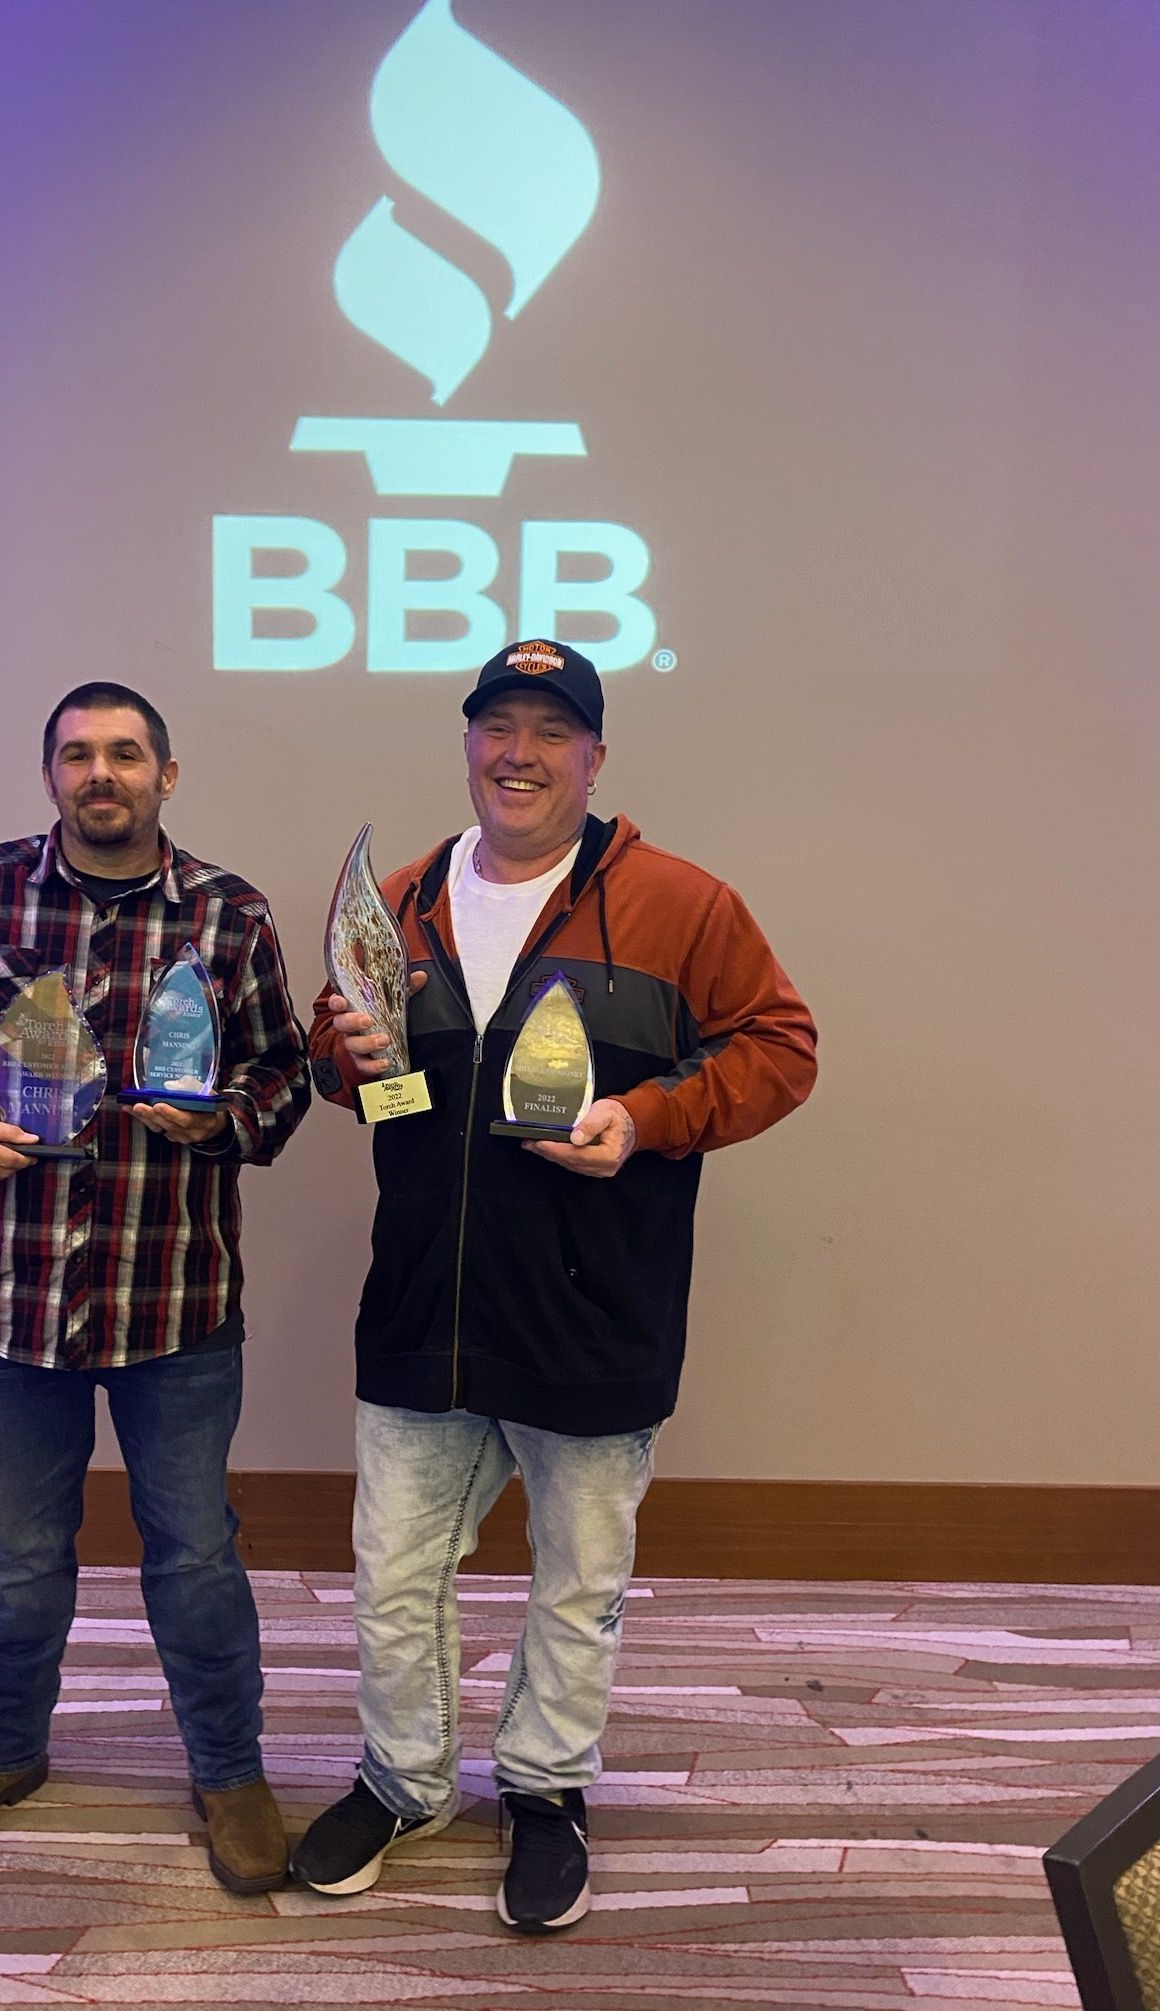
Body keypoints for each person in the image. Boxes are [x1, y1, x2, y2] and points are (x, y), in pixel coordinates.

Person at [293, 639, 817, 1934]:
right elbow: (356, 1076)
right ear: (466, 743)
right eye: (494, 726)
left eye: (548, 730)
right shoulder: (399, 900)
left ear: (594, 755)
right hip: (423, 1306)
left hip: (596, 1310)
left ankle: (544, 1788)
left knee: (576, 1580)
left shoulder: (682, 905)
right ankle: (403, 1781)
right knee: (392, 1574)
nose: (516, 753)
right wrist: (342, 1053)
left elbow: (781, 1047)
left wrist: (646, 1119)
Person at [0, 680, 310, 1889]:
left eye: (125, 753)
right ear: (51, 775)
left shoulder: (231, 914)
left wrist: (221, 1122)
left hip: (174, 1296)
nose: (99, 773)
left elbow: (284, 1072)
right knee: (18, 1555)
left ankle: (229, 1769)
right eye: (77, 755)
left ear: (168, 775)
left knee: (197, 1555)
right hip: (10, 1297)